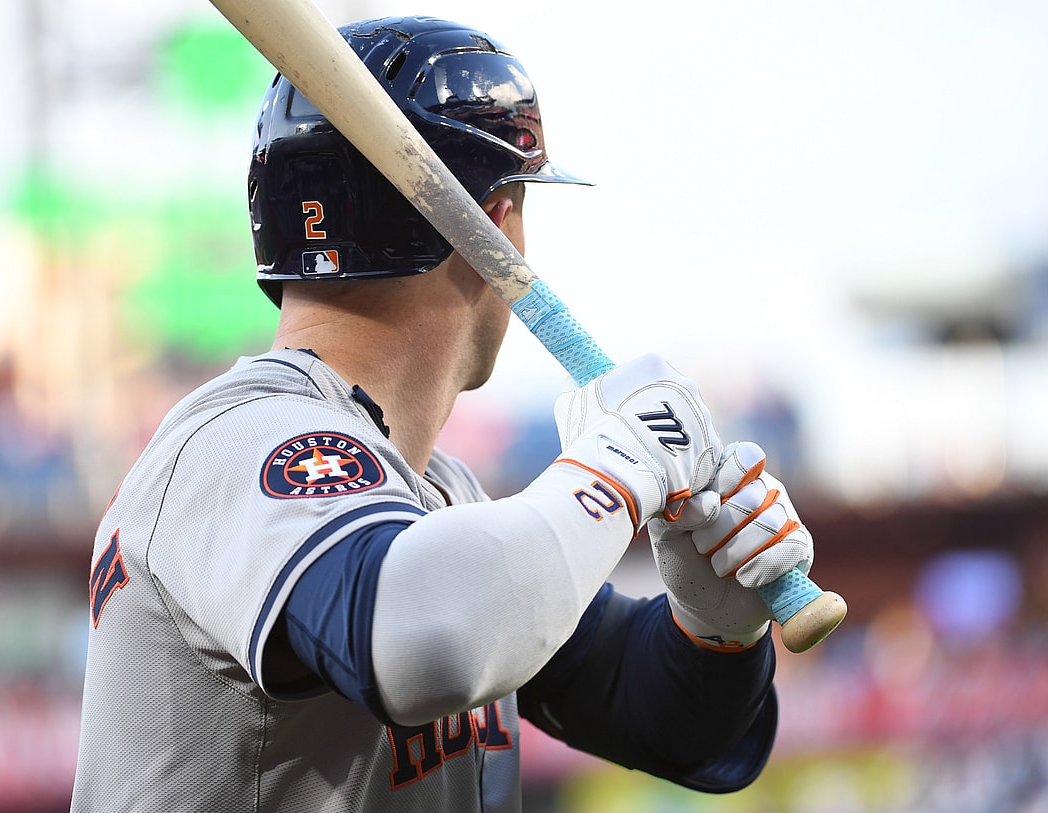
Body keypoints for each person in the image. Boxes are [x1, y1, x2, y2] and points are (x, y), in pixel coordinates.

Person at [70, 15, 816, 812]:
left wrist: (714, 626)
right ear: (495, 225)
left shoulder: (433, 497)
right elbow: (421, 636)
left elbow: (673, 725)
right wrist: (619, 466)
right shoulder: (238, 440)